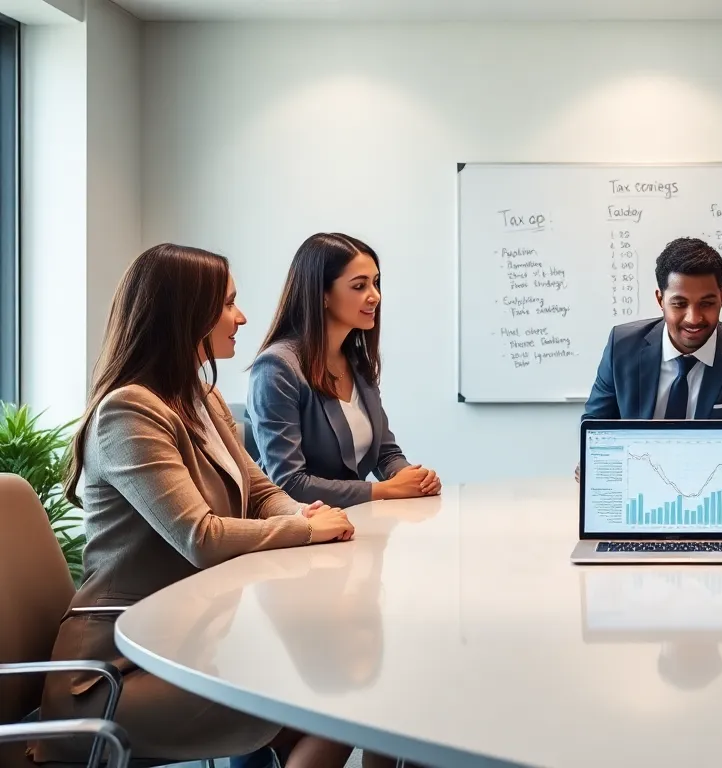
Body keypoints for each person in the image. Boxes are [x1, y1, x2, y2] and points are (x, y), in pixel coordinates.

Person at [33, 244, 355, 767]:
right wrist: (308, 531)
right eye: (228, 304)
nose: (242, 317)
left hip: (186, 643)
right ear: (185, 315)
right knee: (328, 701)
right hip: (111, 675)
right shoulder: (129, 411)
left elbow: (260, 492)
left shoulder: (202, 398)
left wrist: (303, 515)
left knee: (330, 690)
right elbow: (200, 537)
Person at [249, 233, 440, 510]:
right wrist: (384, 489)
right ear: (322, 295)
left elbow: (385, 453)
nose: (375, 296)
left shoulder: (356, 361)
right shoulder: (276, 367)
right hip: (299, 526)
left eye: (376, 283)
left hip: (351, 521)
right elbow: (289, 483)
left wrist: (413, 478)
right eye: (359, 286)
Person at [581, 237, 722, 470]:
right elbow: (595, 430)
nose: (694, 318)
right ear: (660, 299)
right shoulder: (622, 347)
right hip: (636, 481)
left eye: (706, 303)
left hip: (707, 487)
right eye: (680, 304)